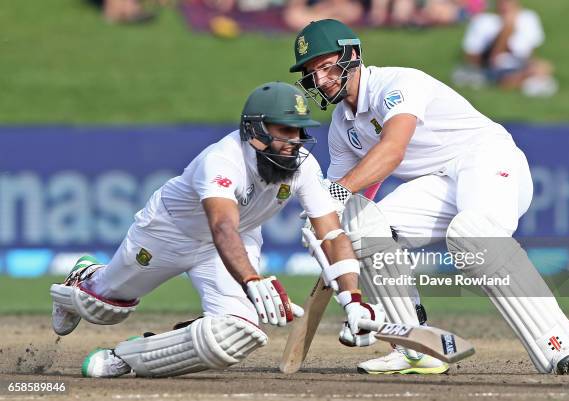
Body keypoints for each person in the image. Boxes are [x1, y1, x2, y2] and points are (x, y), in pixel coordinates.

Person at [288, 19, 569, 375]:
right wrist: (329, 233)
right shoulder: (341, 125)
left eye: (326, 66)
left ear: (352, 55)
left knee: (473, 233)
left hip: (488, 160)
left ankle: (559, 345)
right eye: (312, 73)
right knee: (360, 225)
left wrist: (333, 197)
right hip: (439, 185)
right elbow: (348, 202)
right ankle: (414, 346)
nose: (320, 80)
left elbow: (392, 151)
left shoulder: (396, 84)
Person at [50, 82, 384, 378]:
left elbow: (332, 234)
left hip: (236, 240)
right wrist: (252, 279)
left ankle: (128, 358)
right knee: (104, 309)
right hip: (170, 233)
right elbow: (222, 225)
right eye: (285, 130)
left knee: (236, 333)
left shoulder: (304, 167)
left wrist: (353, 299)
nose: (294, 142)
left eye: (299, 132)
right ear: (255, 130)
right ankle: (84, 279)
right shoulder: (222, 160)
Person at [455, 0, 557, 96]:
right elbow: (475, 56)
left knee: (544, 67)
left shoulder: (528, 18)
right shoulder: (484, 21)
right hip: (495, 66)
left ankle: (527, 79)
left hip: (519, 63)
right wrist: (507, 30)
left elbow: (529, 52)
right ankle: (525, 81)